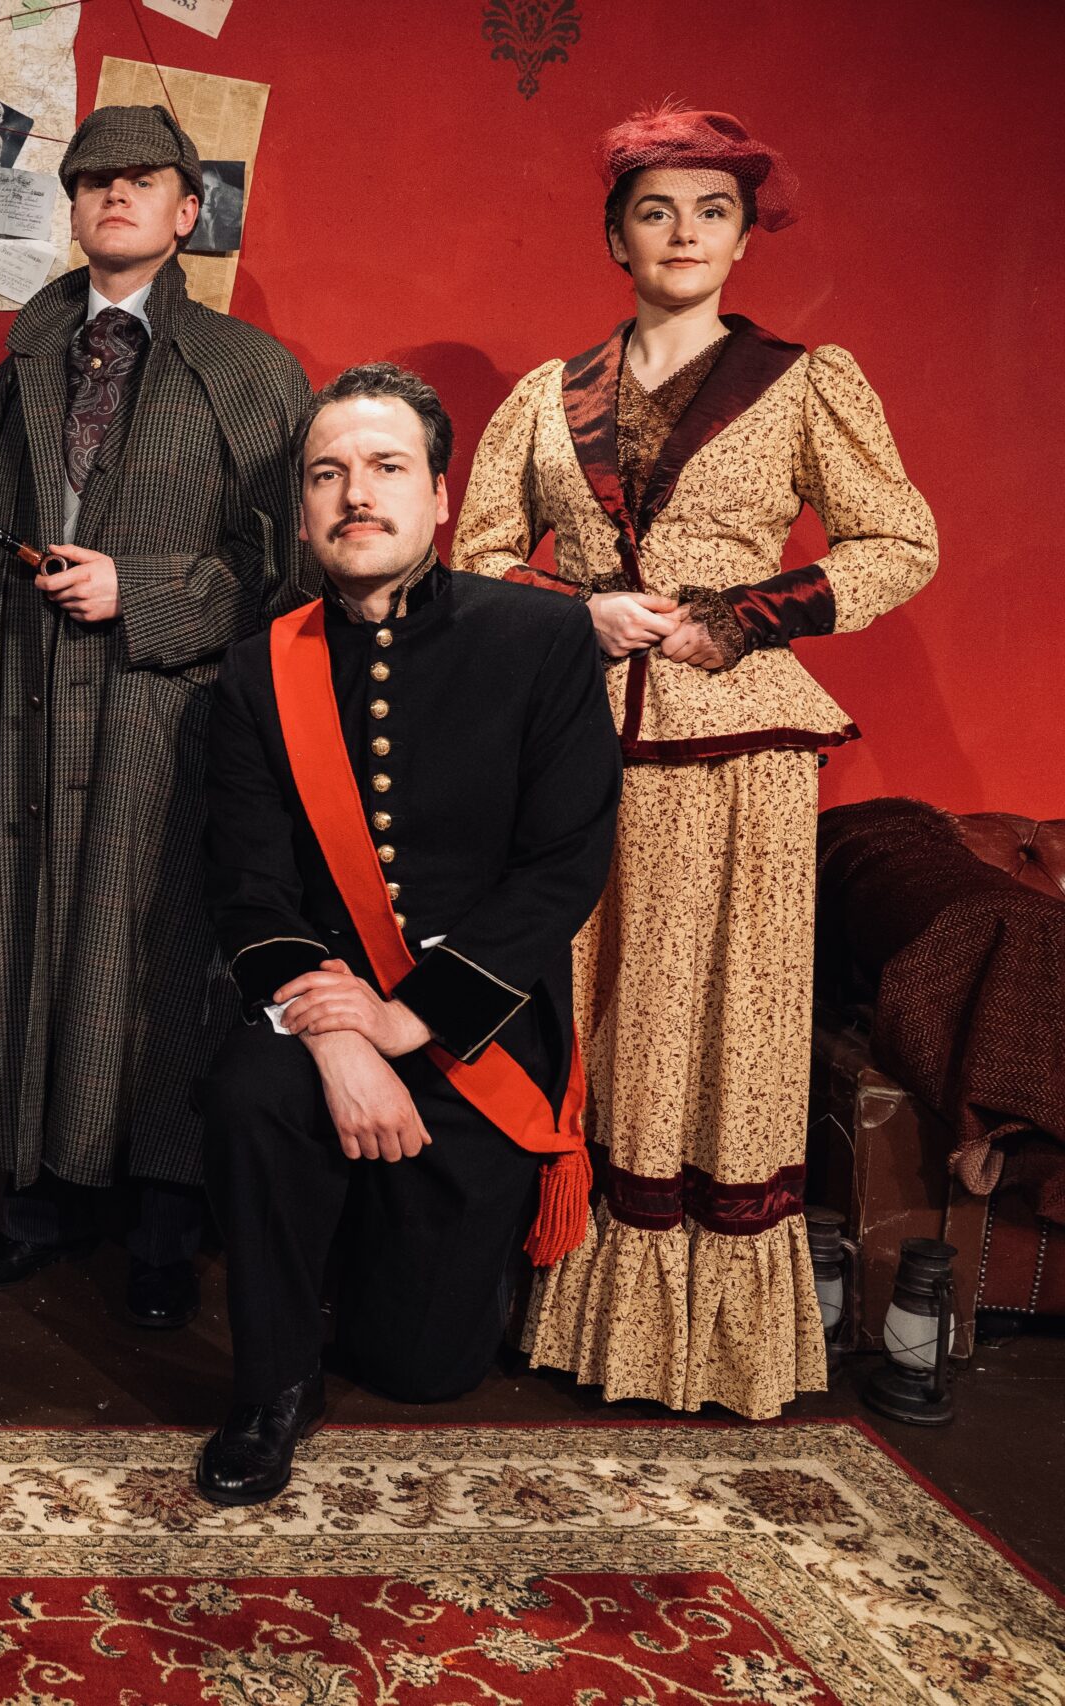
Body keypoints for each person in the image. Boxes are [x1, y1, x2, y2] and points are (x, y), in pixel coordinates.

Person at [453, 105, 936, 1418]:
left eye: (710, 211)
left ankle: (706, 1339)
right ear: (615, 235)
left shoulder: (805, 380)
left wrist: (749, 612)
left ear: (742, 236)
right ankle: (567, 1293)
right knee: (584, 1005)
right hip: (578, 740)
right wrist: (576, 612)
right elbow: (477, 560)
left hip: (738, 753)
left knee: (718, 1016)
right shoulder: (545, 398)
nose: (682, 233)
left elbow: (899, 541)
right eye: (655, 211)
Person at [197, 364, 622, 1506]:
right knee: (249, 1091)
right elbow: (249, 889)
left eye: (387, 467)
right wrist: (341, 1038)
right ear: (301, 513)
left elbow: (561, 866)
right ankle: (272, 1382)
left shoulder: (542, 638)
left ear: (439, 495)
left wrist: (407, 1019)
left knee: (422, 1369)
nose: (356, 494)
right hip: (321, 1014)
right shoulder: (257, 669)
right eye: (327, 474)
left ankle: (376, 1263)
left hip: (475, 1036)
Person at [0, 105, 310, 1329]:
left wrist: (140, 591)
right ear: (71, 204)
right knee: (26, 954)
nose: (115, 194)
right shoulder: (24, 361)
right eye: (93, 178)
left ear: (186, 210)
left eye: (142, 179)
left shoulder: (249, 371)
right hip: (29, 708)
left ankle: (161, 1229)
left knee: (151, 964)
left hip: (169, 716)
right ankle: (34, 1210)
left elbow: (289, 571)